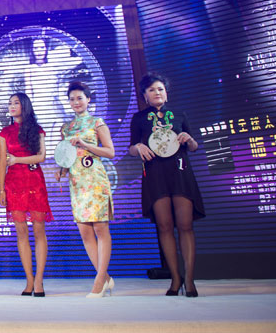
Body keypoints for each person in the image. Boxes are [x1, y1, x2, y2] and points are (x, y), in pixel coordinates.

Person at [129, 73, 204, 297]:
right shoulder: (139, 118)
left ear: (166, 92)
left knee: (185, 225)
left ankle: (189, 279)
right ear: (144, 95)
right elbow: (131, 148)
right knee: (164, 226)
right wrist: (138, 148)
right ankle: (175, 278)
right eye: (152, 90)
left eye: (160, 89)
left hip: (180, 172)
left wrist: (189, 139)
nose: (157, 93)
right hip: (155, 174)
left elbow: (194, 147)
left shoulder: (179, 114)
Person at [56, 82, 115, 298]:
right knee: (85, 232)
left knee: (100, 228)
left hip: (95, 180)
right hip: (77, 182)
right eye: (72, 99)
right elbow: (66, 155)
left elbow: (110, 152)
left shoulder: (97, 122)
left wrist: (85, 144)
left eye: (79, 98)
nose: (76, 102)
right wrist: (61, 170)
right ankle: (105, 277)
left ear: (88, 99)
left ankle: (99, 281)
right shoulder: (66, 128)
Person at [0, 92, 52, 296]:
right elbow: (2, 162)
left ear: (25, 106)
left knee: (39, 231)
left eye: (16, 103)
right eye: (10, 103)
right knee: (21, 232)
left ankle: (39, 280)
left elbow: (41, 157)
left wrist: (17, 160)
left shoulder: (37, 130)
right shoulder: (5, 132)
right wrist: (1, 189)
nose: (12, 106)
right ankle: (29, 280)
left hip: (34, 182)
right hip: (13, 184)